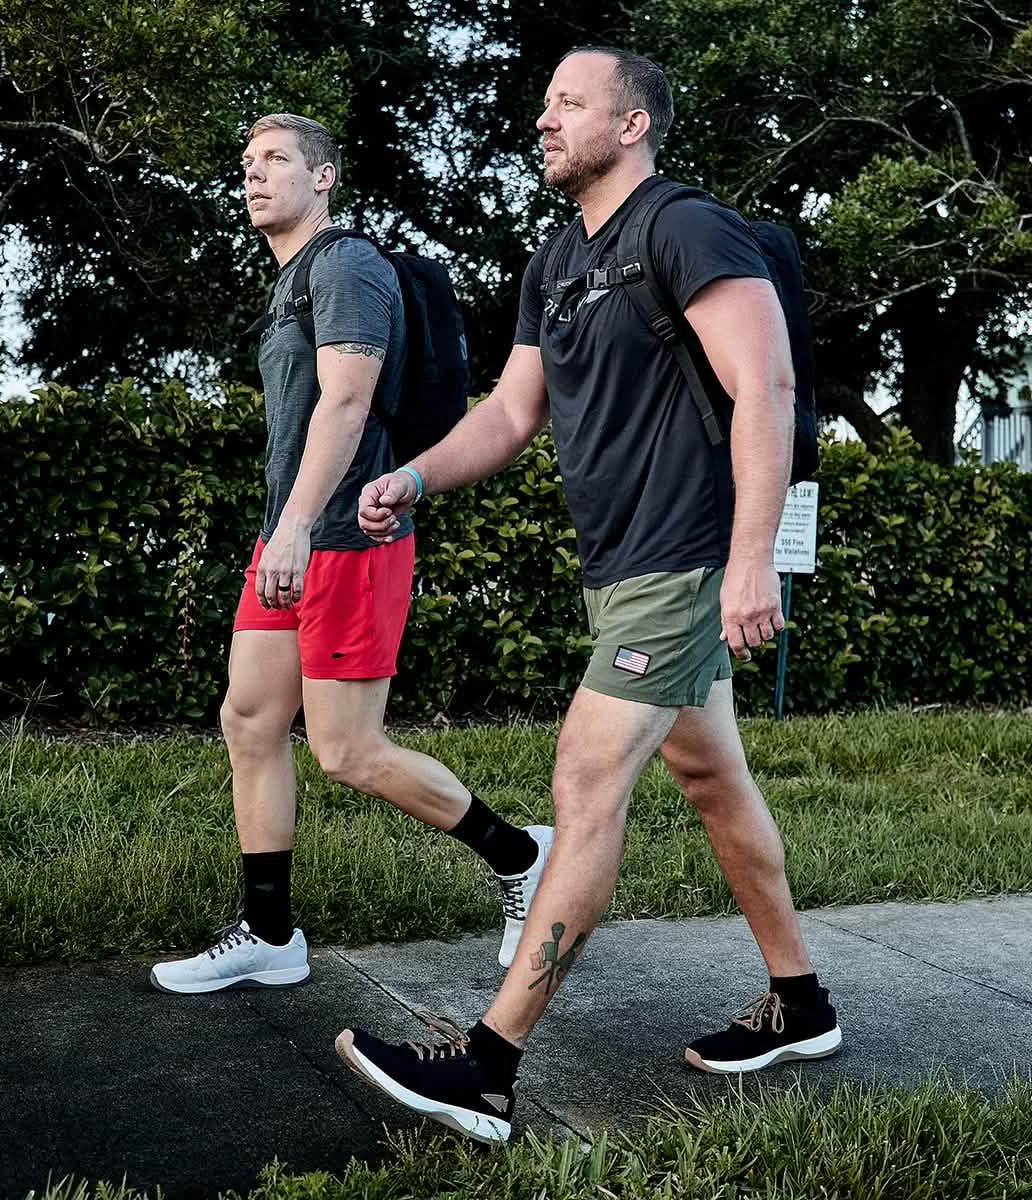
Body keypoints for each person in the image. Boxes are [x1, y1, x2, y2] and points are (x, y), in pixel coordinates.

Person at [336, 48, 841, 1143]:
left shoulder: (685, 226)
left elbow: (767, 384)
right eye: (547, 102)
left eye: (571, 102)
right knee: (711, 774)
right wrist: (415, 474)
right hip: (621, 566)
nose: (546, 118)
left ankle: (486, 1067)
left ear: (634, 123)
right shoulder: (558, 259)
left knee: (583, 778)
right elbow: (514, 414)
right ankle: (802, 1004)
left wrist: (749, 558)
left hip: (686, 554)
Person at [150, 113, 553, 995]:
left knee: (347, 751)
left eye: (276, 161)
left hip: (342, 541)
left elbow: (346, 404)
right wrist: (280, 529)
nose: (254, 176)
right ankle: (269, 933)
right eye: (247, 162)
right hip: (288, 536)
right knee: (249, 721)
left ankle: (522, 853)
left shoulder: (345, 267)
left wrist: (294, 525)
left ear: (324, 177)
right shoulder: (291, 278)